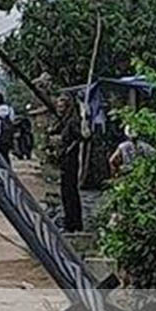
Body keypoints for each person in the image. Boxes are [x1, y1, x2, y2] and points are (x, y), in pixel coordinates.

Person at [51, 94, 84, 232]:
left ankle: (73, 223)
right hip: (65, 160)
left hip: (70, 160)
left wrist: (67, 150)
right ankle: (70, 221)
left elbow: (79, 138)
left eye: (62, 106)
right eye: (58, 106)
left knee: (70, 192)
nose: (59, 109)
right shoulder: (64, 121)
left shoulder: (73, 121)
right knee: (66, 192)